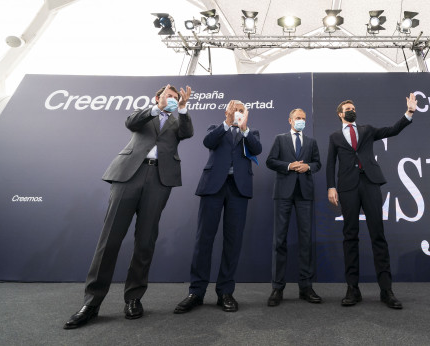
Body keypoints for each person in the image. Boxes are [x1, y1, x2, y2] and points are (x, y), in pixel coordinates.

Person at [64, 84, 194, 329]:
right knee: (109, 239)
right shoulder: (144, 112)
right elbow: (131, 122)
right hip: (128, 176)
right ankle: (91, 303)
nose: (173, 100)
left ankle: (134, 299)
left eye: (176, 98)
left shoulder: (178, 122)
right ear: (157, 98)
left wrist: (184, 109)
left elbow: (188, 133)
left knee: (145, 241)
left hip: (159, 180)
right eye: (169, 96)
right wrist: (157, 108)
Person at [326, 94, 417, 309]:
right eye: (348, 108)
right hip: (347, 188)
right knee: (350, 237)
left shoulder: (366, 130)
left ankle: (386, 291)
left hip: (370, 184)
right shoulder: (334, 137)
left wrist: (409, 112)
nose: (352, 109)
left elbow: (392, 130)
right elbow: (330, 164)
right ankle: (352, 289)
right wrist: (331, 186)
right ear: (340, 114)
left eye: (353, 107)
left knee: (378, 235)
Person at [174, 100, 262, 314]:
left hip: (238, 190)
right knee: (204, 239)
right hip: (213, 187)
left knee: (233, 242)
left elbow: (257, 149)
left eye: (242, 110)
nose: (238, 113)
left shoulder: (251, 132)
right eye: (235, 110)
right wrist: (227, 122)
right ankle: (196, 292)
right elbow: (208, 142)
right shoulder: (216, 128)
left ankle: (225, 292)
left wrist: (244, 128)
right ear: (227, 112)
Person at [265, 108, 322, 306]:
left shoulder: (311, 142)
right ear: (290, 120)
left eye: (303, 119)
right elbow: (270, 161)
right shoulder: (280, 139)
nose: (301, 121)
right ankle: (277, 288)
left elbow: (317, 164)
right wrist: (289, 166)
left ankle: (306, 287)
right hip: (283, 194)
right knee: (279, 241)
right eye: (298, 118)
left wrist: (308, 167)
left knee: (306, 241)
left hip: (305, 194)